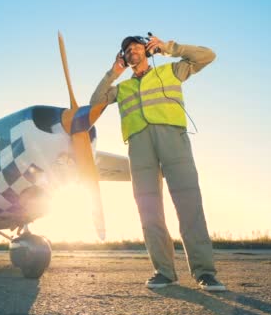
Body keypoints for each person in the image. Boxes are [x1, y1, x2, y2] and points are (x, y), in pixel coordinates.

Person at [90, 34, 226, 291]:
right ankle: (164, 271)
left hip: (172, 140)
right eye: (126, 50)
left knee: (189, 205)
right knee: (148, 210)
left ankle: (205, 272)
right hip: (139, 147)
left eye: (136, 47)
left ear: (147, 50)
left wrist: (169, 48)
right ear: (124, 57)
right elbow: (95, 102)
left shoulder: (172, 70)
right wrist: (113, 72)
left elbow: (208, 55)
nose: (132, 51)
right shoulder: (122, 89)